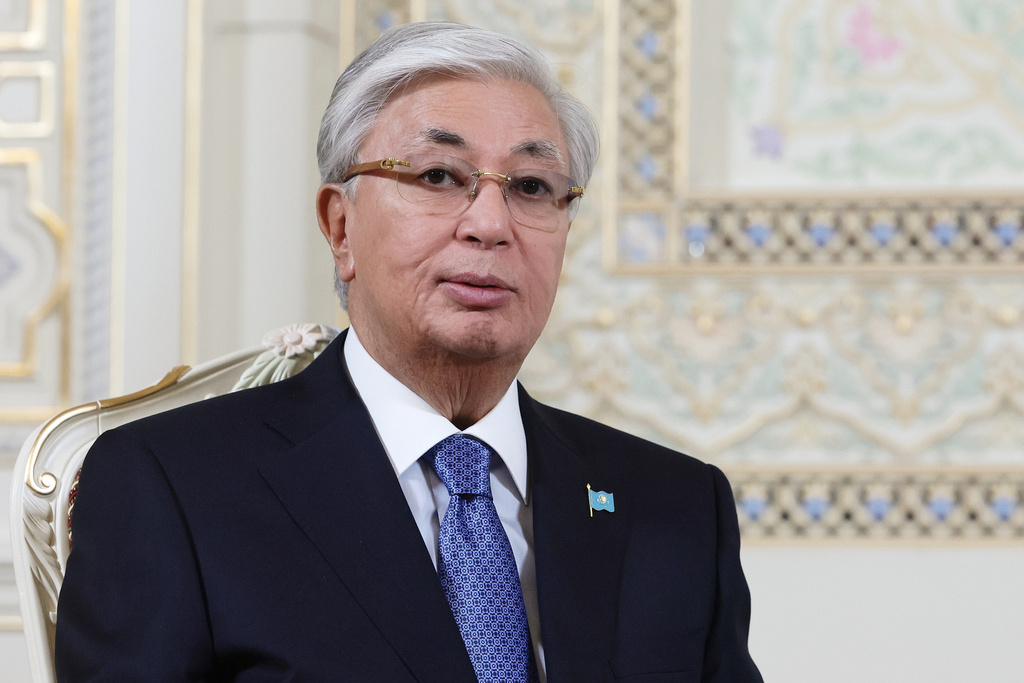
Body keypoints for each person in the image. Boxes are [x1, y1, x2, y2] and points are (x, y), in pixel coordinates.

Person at [56, 22, 763, 682]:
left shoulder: (675, 506)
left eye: (532, 187)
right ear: (340, 227)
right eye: (438, 177)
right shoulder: (171, 486)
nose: (491, 223)